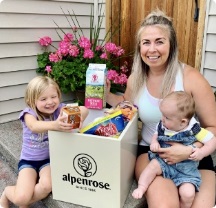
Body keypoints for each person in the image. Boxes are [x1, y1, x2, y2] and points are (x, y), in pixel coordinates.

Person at [105, 9, 216, 208]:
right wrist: (105, 95)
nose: (152, 49)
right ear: (140, 47)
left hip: (193, 157)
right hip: (152, 153)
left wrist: (189, 151)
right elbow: (125, 104)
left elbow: (214, 127)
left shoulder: (191, 79)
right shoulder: (136, 79)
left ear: (171, 45)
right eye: (146, 42)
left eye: (159, 41)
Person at [0, 76, 89, 208]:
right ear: (31, 101)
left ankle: (24, 202)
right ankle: (7, 193)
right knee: (21, 198)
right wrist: (56, 125)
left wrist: (78, 117)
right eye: (43, 99)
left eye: (54, 96)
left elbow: (85, 109)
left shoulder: (60, 110)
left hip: (49, 161)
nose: (50, 102)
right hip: (29, 161)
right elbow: (34, 126)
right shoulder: (28, 113)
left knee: (47, 186)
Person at [132, 91, 216, 208]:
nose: (162, 119)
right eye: (162, 115)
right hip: (164, 161)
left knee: (188, 193)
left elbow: (212, 141)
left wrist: (200, 152)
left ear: (183, 122)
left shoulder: (195, 129)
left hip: (186, 168)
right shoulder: (164, 124)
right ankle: (142, 186)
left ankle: (184, 205)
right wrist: (154, 142)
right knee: (152, 167)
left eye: (166, 117)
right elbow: (156, 134)